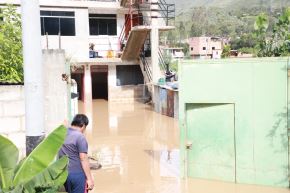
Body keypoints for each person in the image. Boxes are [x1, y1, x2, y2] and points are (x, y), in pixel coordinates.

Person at [59, 114, 94, 193]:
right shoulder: (80, 137)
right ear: (83, 126)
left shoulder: (62, 133)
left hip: (64, 174)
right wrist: (89, 179)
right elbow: (83, 158)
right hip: (77, 175)